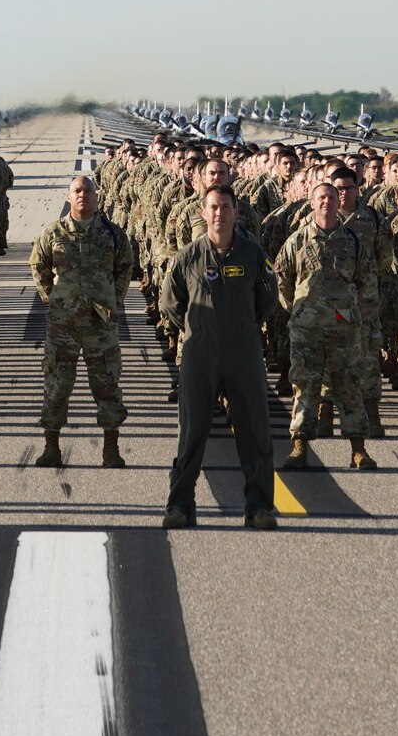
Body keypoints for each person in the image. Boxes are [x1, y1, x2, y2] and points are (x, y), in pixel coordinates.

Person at [160, 183, 281, 531]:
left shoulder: (253, 253)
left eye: (225, 207)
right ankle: (180, 505)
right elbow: (171, 302)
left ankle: (258, 507)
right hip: (201, 352)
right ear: (203, 212)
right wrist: (198, 328)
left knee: (254, 431)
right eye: (213, 207)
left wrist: (243, 326)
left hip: (243, 351)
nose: (219, 213)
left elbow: (267, 298)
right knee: (192, 433)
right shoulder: (188, 257)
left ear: (235, 212)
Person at [27, 173, 133, 469]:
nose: (83, 194)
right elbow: (39, 267)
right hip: (64, 326)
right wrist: (55, 300)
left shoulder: (112, 234)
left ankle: (111, 449)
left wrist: (115, 298)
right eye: (77, 190)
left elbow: (125, 266)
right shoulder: (53, 233)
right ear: (68, 196)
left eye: (88, 189)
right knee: (57, 386)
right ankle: (52, 447)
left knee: (108, 386)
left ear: (97, 196)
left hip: (101, 325)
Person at [275, 177, 379, 471]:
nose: (327, 202)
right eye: (321, 198)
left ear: (338, 203)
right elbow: (282, 277)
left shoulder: (352, 241)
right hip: (307, 329)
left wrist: (360, 318)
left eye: (332, 198)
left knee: (349, 385)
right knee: (305, 387)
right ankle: (299, 447)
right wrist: (296, 310)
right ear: (312, 203)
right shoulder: (297, 240)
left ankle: (358, 448)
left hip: (343, 327)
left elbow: (367, 282)